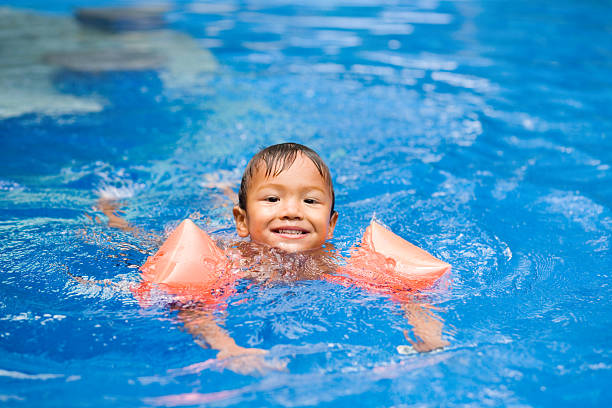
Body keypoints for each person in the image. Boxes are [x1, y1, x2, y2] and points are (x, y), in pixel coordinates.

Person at [102, 143, 450, 375]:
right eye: (272, 199)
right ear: (241, 222)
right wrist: (228, 348)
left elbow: (407, 292)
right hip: (224, 243)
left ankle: (227, 190)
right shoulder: (231, 263)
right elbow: (193, 306)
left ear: (330, 225)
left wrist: (426, 333)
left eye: (310, 202)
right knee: (139, 243)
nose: (292, 211)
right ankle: (111, 213)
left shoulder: (338, 265)